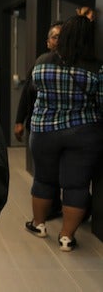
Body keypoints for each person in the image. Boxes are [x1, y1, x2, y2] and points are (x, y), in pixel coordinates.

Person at [25, 15, 103, 252]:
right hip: (83, 131)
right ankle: (67, 237)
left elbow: (34, 89)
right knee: (76, 185)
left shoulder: (42, 61)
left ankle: (39, 224)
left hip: (44, 130)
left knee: (43, 179)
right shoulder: (96, 67)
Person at [14, 21, 63, 221]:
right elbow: (27, 94)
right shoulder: (40, 64)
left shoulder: (77, 64)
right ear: (48, 42)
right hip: (40, 126)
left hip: (66, 128)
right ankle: (52, 207)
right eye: (54, 37)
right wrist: (19, 121)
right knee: (45, 173)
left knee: (66, 174)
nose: (58, 41)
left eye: (62, 36)